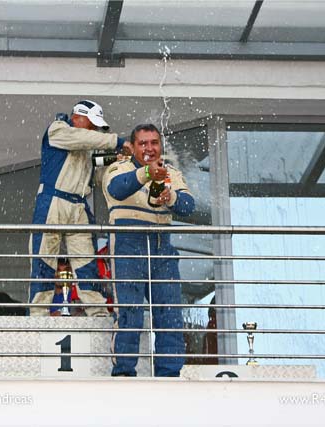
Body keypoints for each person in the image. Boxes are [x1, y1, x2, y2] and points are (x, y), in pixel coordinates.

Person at [102, 123, 195, 377]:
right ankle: (124, 374)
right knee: (129, 312)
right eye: (143, 143)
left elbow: (189, 206)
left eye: (154, 142)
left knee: (170, 314)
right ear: (132, 146)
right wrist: (146, 173)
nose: (149, 148)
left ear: (160, 145)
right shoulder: (118, 167)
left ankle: (169, 375)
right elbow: (116, 188)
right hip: (127, 244)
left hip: (162, 246)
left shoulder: (170, 172)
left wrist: (170, 198)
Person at [29, 100, 132, 304]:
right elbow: (83, 138)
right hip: (53, 202)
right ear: (77, 117)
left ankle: (97, 312)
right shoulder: (58, 129)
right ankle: (37, 314)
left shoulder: (87, 147)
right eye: (92, 123)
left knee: (87, 264)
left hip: (79, 206)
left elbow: (96, 174)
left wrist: (119, 163)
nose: (94, 129)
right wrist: (118, 142)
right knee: (44, 262)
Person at [30, 258, 109, 317]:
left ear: (72, 273)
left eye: (66, 270)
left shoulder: (81, 294)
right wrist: (52, 317)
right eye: (58, 270)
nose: (61, 274)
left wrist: (71, 315)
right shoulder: (45, 295)